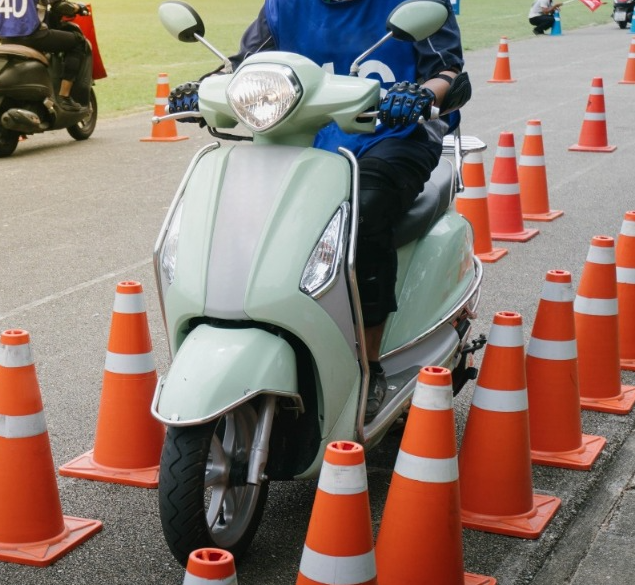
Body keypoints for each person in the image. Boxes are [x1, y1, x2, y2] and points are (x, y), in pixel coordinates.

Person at [170, 0, 471, 421]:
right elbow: (243, 65)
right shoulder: (282, 7)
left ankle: (369, 365)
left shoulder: (413, 6)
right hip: (299, 138)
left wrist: (421, 94)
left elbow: (450, 74)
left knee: (360, 212)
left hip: (394, 138)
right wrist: (203, 87)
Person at [0, 0, 89, 111]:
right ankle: (64, 96)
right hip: (32, 36)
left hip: (6, 38)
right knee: (78, 42)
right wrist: (78, 8)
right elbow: (62, 6)